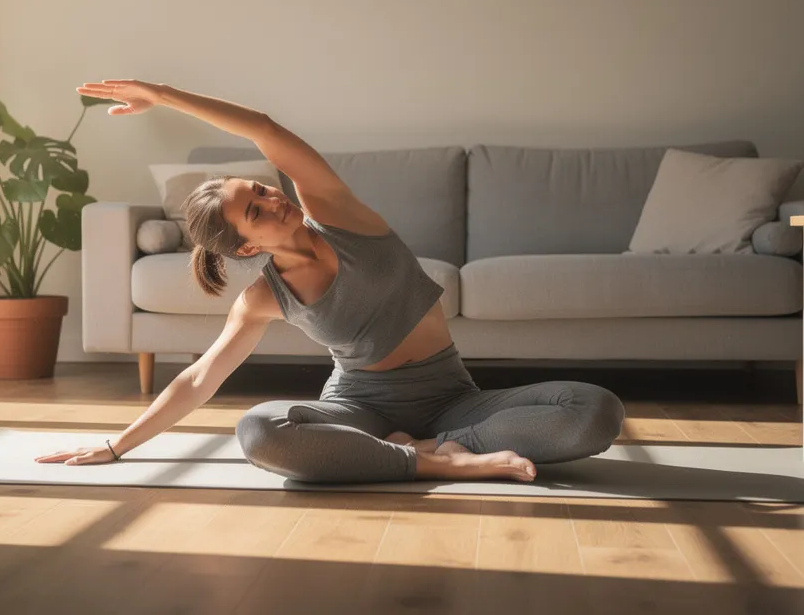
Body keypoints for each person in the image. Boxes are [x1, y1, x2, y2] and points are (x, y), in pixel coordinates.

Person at [36, 80, 626, 483]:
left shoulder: (336, 211)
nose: (273, 201)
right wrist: (117, 446)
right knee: (261, 431)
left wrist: (161, 95)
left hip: (457, 400)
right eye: (256, 211)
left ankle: (434, 448)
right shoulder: (263, 297)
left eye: (263, 190)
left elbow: (264, 129)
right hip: (360, 409)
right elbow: (197, 379)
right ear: (247, 246)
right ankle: (433, 464)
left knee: (594, 410)